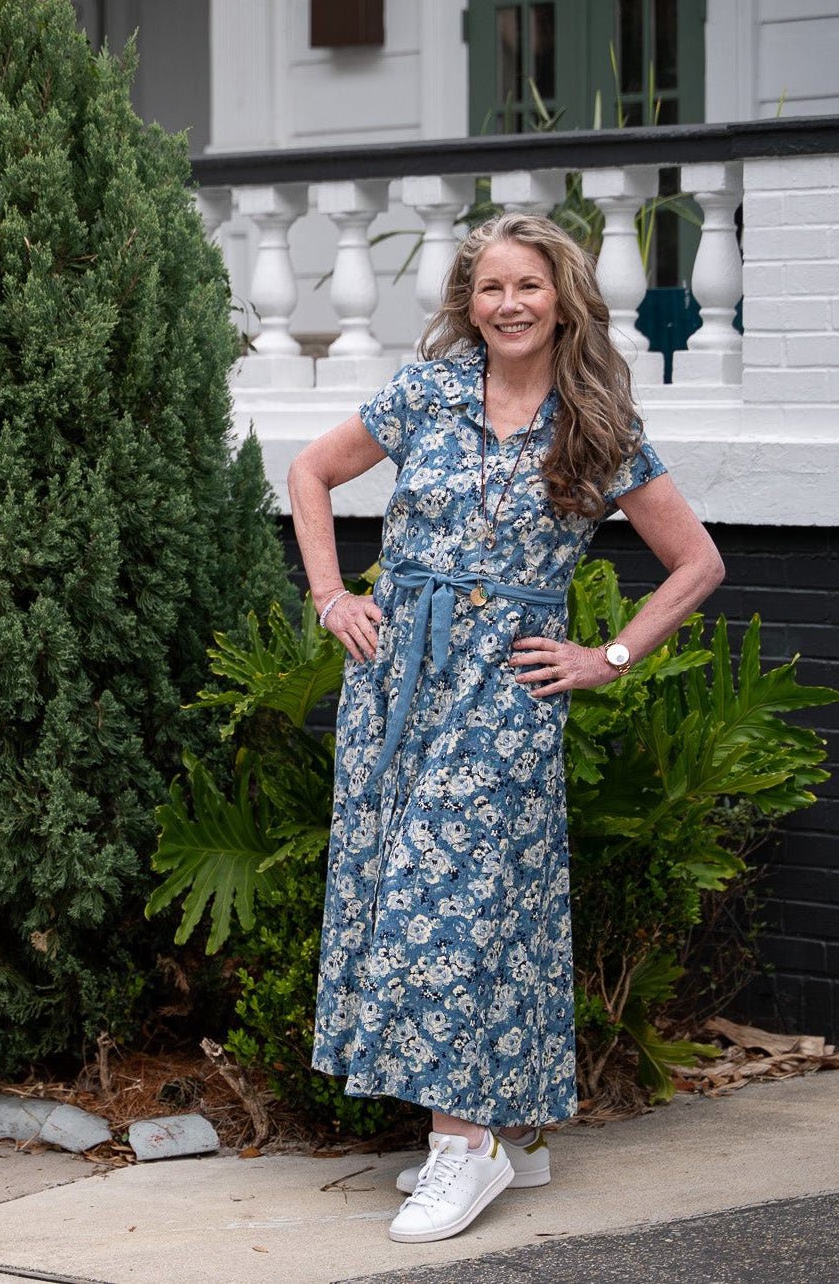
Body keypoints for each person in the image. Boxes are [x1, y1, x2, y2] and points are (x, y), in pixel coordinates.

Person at [287, 213, 724, 1244]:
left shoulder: (596, 426)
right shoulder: (426, 393)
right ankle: (507, 1135)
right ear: (467, 303)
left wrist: (605, 659)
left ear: (563, 298)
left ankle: (462, 1147)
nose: (509, 304)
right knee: (428, 892)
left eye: (528, 285)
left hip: (505, 695)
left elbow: (697, 564)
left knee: (462, 900)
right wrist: (328, 596)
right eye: (490, 288)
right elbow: (309, 473)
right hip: (396, 684)